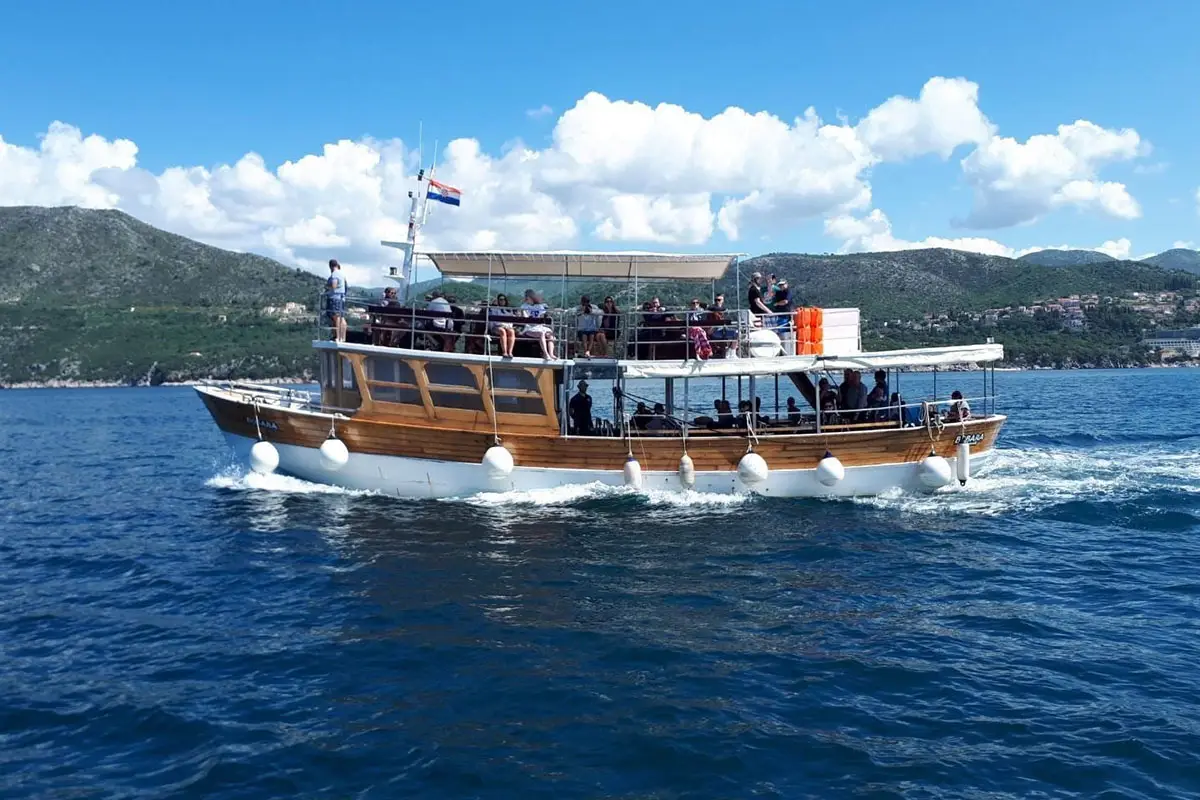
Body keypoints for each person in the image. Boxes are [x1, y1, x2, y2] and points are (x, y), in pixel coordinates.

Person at [519, 290, 557, 359]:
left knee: (550, 335)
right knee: (541, 334)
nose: (526, 299)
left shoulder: (539, 306)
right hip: (529, 327)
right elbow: (525, 318)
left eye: (527, 297)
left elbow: (542, 318)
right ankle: (545, 353)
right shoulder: (524, 306)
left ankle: (551, 354)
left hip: (539, 326)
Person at [325, 258, 348, 342]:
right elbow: (346, 287)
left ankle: (338, 337)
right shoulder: (342, 275)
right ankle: (343, 337)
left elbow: (334, 286)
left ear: (330, 266)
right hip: (341, 298)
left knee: (336, 317)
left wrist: (327, 287)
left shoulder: (334, 275)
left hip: (335, 299)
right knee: (342, 318)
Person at [488, 293, 516, 357]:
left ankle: (510, 352)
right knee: (502, 331)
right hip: (497, 327)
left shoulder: (509, 310)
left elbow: (511, 320)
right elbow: (494, 321)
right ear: (498, 300)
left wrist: (508, 326)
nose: (502, 301)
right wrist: (503, 325)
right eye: (500, 299)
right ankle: (504, 352)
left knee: (511, 331)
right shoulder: (494, 309)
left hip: (507, 327)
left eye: (504, 299)